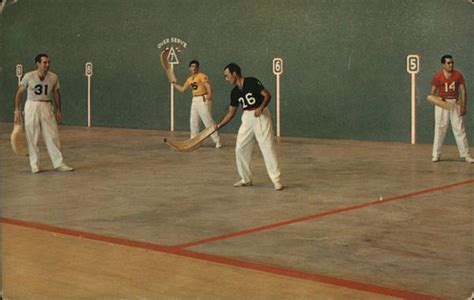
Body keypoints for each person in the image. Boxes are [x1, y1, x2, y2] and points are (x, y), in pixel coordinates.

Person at [215, 63, 282, 190]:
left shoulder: (251, 81)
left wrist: (261, 108)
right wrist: (219, 125)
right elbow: (231, 113)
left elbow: (267, 95)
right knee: (240, 147)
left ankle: (276, 180)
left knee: (267, 147)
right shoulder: (234, 92)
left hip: (261, 116)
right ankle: (245, 179)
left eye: (227, 75)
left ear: (234, 74)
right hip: (247, 118)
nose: (226, 79)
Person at [14, 53, 74, 173]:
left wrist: (58, 109)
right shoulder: (28, 76)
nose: (47, 65)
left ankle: (59, 163)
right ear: (38, 64)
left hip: (46, 105)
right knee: (32, 135)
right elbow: (19, 92)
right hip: (32, 105)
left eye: (48, 62)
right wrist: (17, 109)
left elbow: (56, 93)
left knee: (52, 135)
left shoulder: (53, 77)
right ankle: (34, 165)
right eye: (44, 62)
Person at [427, 55, 473, 163]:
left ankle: (466, 155)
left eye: (452, 62)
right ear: (443, 65)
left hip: (455, 104)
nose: (451, 65)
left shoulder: (458, 75)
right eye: (448, 63)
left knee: (460, 129)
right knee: (440, 129)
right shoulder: (438, 76)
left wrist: (463, 105)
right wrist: (439, 100)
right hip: (442, 104)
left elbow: (463, 91)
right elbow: (432, 93)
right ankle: (436, 155)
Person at [172, 60, 221, 148]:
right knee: (193, 121)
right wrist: (174, 84)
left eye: (195, 66)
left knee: (207, 120)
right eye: (192, 66)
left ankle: (217, 140)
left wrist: (210, 94)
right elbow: (183, 89)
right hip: (194, 100)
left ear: (198, 68)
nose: (193, 68)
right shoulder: (189, 79)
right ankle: (195, 141)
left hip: (203, 98)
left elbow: (208, 86)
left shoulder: (202, 76)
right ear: (189, 68)